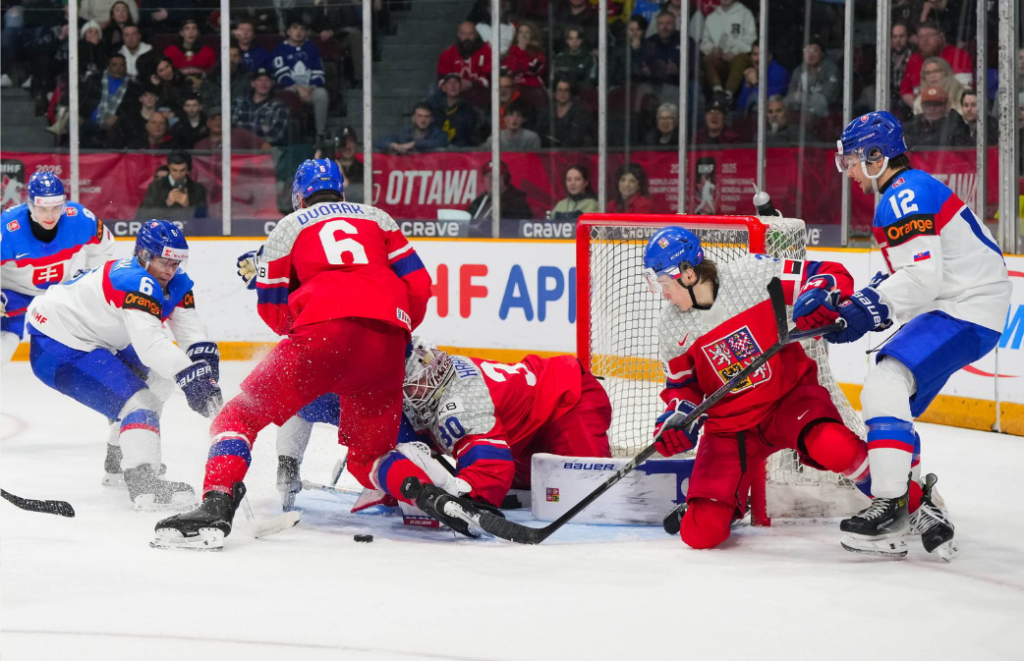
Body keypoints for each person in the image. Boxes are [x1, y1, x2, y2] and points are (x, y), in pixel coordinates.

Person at [152, 160, 433, 550]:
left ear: (298, 196)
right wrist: (395, 325)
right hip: (387, 342)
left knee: (238, 416)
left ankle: (215, 504)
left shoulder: (290, 226)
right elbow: (419, 285)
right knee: (369, 456)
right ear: (341, 190)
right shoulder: (379, 219)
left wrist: (308, 323)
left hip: (322, 338)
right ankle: (430, 496)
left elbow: (274, 311)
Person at [806, 110, 1011, 559]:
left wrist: (864, 310)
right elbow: (911, 275)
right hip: (965, 305)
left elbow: (921, 278)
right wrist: (856, 307)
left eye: (854, 161)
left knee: (885, 382)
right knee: (890, 395)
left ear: (877, 156)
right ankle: (918, 503)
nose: (851, 173)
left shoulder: (902, 195)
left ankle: (892, 504)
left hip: (966, 308)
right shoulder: (907, 191)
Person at [642, 226, 885, 550]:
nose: (664, 295)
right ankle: (724, 501)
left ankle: (899, 500)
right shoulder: (672, 325)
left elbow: (827, 273)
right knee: (700, 534)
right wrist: (678, 418)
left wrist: (820, 293)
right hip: (729, 429)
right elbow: (682, 387)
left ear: (686, 273)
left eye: (664, 284)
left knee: (835, 446)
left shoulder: (753, 274)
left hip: (789, 401)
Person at [26, 220, 221, 510]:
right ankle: (144, 484)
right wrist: (191, 377)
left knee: (162, 380)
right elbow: (151, 344)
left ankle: (118, 461)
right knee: (139, 402)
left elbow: (190, 330)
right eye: (164, 261)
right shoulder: (133, 281)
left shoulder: (175, 282)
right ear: (144, 255)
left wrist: (203, 363)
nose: (171, 270)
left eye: (176, 262)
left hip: (99, 336)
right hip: (59, 344)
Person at [398, 337, 612, 507]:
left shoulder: (461, 400)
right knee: (549, 496)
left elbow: (491, 467)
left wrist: (464, 495)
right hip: (521, 438)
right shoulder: (426, 393)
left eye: (411, 385)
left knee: (590, 496)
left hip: (566, 401)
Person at [1, 172, 114, 365]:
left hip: (58, 292)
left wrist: (88, 279)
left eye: (56, 208)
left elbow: (105, 246)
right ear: (30, 205)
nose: (50, 215)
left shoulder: (78, 218)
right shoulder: (8, 228)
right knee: (9, 337)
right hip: (13, 292)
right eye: (42, 209)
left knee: (99, 329)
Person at [272, 16, 330, 138]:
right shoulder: (280, 49)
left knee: (322, 94)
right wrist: (298, 88)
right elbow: (281, 75)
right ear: (288, 31)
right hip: (290, 87)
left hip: (310, 88)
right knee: (288, 94)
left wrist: (309, 89)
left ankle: (320, 134)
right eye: (295, 28)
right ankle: (288, 135)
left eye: (302, 29)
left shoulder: (312, 49)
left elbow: (318, 72)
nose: (298, 32)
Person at [899, 20, 972, 109]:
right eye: (921, 36)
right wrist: (920, 108)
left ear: (942, 37)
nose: (925, 40)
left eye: (930, 35)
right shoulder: (914, 60)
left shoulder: (958, 56)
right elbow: (905, 91)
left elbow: (964, 91)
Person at [699, 0, 756, 104]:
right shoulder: (712, 17)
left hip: (737, 58)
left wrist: (734, 51)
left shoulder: (745, 13)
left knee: (741, 58)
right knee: (707, 59)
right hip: (719, 60)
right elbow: (704, 42)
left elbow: (751, 39)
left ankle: (728, 94)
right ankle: (718, 92)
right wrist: (713, 49)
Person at [137, 151, 209, 220]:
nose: (178, 175)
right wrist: (166, 203)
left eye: (182, 170)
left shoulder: (198, 189)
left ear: (188, 169)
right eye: (174, 170)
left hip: (189, 231)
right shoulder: (155, 187)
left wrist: (187, 206)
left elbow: (203, 219)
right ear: (169, 167)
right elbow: (144, 215)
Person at [436, 22, 492, 108]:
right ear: (458, 35)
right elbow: (441, 80)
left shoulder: (488, 52)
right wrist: (454, 84)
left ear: (476, 35)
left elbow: (490, 78)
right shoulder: (447, 54)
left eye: (471, 34)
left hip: (480, 99)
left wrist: (472, 84)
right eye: (464, 34)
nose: (467, 37)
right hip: (454, 99)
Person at [231, 68, 290, 147]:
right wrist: (261, 129)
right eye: (259, 80)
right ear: (253, 84)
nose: (263, 83)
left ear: (272, 84)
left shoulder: (279, 107)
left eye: (267, 80)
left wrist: (245, 135)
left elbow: (276, 136)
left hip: (265, 153)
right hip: (237, 150)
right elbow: (229, 128)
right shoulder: (239, 102)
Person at [785, 36, 840, 119]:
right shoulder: (799, 70)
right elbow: (790, 96)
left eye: (815, 50)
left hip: (828, 114)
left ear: (822, 53)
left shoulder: (831, 69)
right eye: (807, 51)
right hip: (801, 113)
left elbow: (826, 98)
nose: (810, 55)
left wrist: (801, 97)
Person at [467, 160, 533, 226]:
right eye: (487, 176)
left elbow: (514, 228)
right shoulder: (480, 201)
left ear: (505, 179)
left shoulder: (517, 202)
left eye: (495, 176)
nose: (491, 180)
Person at [903, 85, 971, 147]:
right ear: (922, 107)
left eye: (936, 104)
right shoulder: (914, 123)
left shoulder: (955, 122)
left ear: (946, 106)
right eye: (928, 105)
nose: (932, 108)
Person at [427, 73, 481, 148]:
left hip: (462, 150)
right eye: (449, 83)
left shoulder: (469, 110)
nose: (453, 85)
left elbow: (471, 136)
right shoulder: (436, 108)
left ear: (461, 87)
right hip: (438, 149)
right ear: (444, 88)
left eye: (456, 82)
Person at [736, 41, 790, 115]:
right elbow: (741, 106)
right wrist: (748, 85)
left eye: (761, 54)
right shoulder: (752, 72)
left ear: (770, 56)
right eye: (755, 54)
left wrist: (755, 83)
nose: (758, 59)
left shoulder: (778, 72)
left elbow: (771, 103)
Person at [538, 77, 593, 148]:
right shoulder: (547, 110)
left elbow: (575, 139)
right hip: (547, 150)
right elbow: (539, 133)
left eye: (566, 90)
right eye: (559, 90)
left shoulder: (580, 112)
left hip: (571, 153)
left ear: (571, 93)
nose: (562, 93)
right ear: (554, 93)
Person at [375, 102, 449, 155]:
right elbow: (379, 142)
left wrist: (414, 144)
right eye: (419, 116)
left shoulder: (438, 134)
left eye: (426, 116)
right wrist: (392, 145)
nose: (423, 120)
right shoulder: (403, 134)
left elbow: (441, 142)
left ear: (431, 119)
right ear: (413, 118)